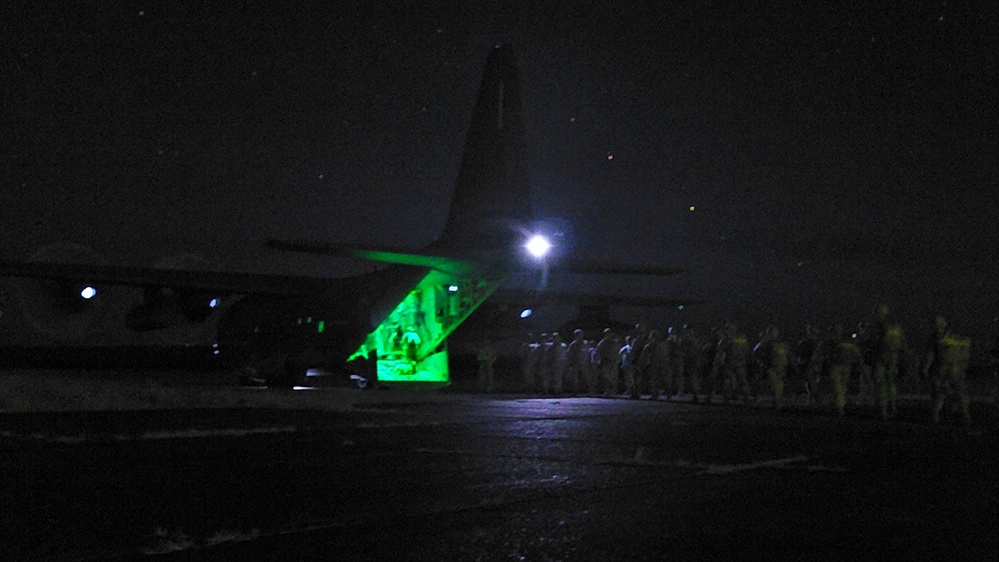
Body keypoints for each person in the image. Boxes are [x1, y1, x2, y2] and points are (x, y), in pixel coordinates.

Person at [860, 304, 910, 419]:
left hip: (881, 357)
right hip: (893, 357)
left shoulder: (875, 326)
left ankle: (884, 410)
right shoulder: (896, 327)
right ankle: (892, 406)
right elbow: (903, 344)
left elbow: (868, 341)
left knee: (881, 383)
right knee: (891, 383)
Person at [922, 316, 972, 425]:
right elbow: (964, 355)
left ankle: (938, 415)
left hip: (944, 368)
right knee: (957, 391)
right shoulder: (957, 338)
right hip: (954, 368)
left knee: (940, 392)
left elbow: (930, 355)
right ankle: (962, 414)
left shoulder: (938, 338)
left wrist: (925, 369)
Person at [823, 324, 868, 417]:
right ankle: (840, 409)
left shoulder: (840, 341)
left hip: (845, 366)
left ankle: (840, 407)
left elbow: (855, 353)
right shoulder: (831, 342)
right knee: (839, 388)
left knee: (842, 388)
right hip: (837, 366)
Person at [714, 322, 753, 404]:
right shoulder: (732, 340)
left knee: (738, 381)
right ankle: (732, 397)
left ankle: (743, 397)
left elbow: (746, 350)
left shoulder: (729, 340)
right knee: (730, 381)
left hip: (735, 363)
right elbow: (720, 353)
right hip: (732, 363)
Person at [754, 326, 790, 411]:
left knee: (779, 384)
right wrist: (762, 362)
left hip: (781, 366)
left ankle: (776, 401)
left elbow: (787, 354)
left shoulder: (782, 343)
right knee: (775, 383)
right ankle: (776, 402)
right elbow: (756, 352)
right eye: (773, 332)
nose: (775, 333)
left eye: (776, 331)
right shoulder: (765, 343)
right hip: (771, 366)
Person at [595, 328, 621, 397]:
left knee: (613, 377)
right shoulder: (602, 343)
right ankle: (607, 391)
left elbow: (617, 351)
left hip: (613, 361)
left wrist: (617, 360)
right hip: (605, 362)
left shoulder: (615, 342)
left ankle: (612, 391)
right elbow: (597, 352)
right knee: (606, 377)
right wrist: (598, 361)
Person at [566, 329, 589, 396]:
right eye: (579, 334)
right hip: (575, 363)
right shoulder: (573, 345)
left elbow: (587, 352)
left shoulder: (585, 343)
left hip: (584, 363)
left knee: (585, 376)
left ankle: (585, 390)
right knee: (575, 378)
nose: (580, 336)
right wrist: (571, 362)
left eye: (581, 334)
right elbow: (569, 354)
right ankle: (576, 391)